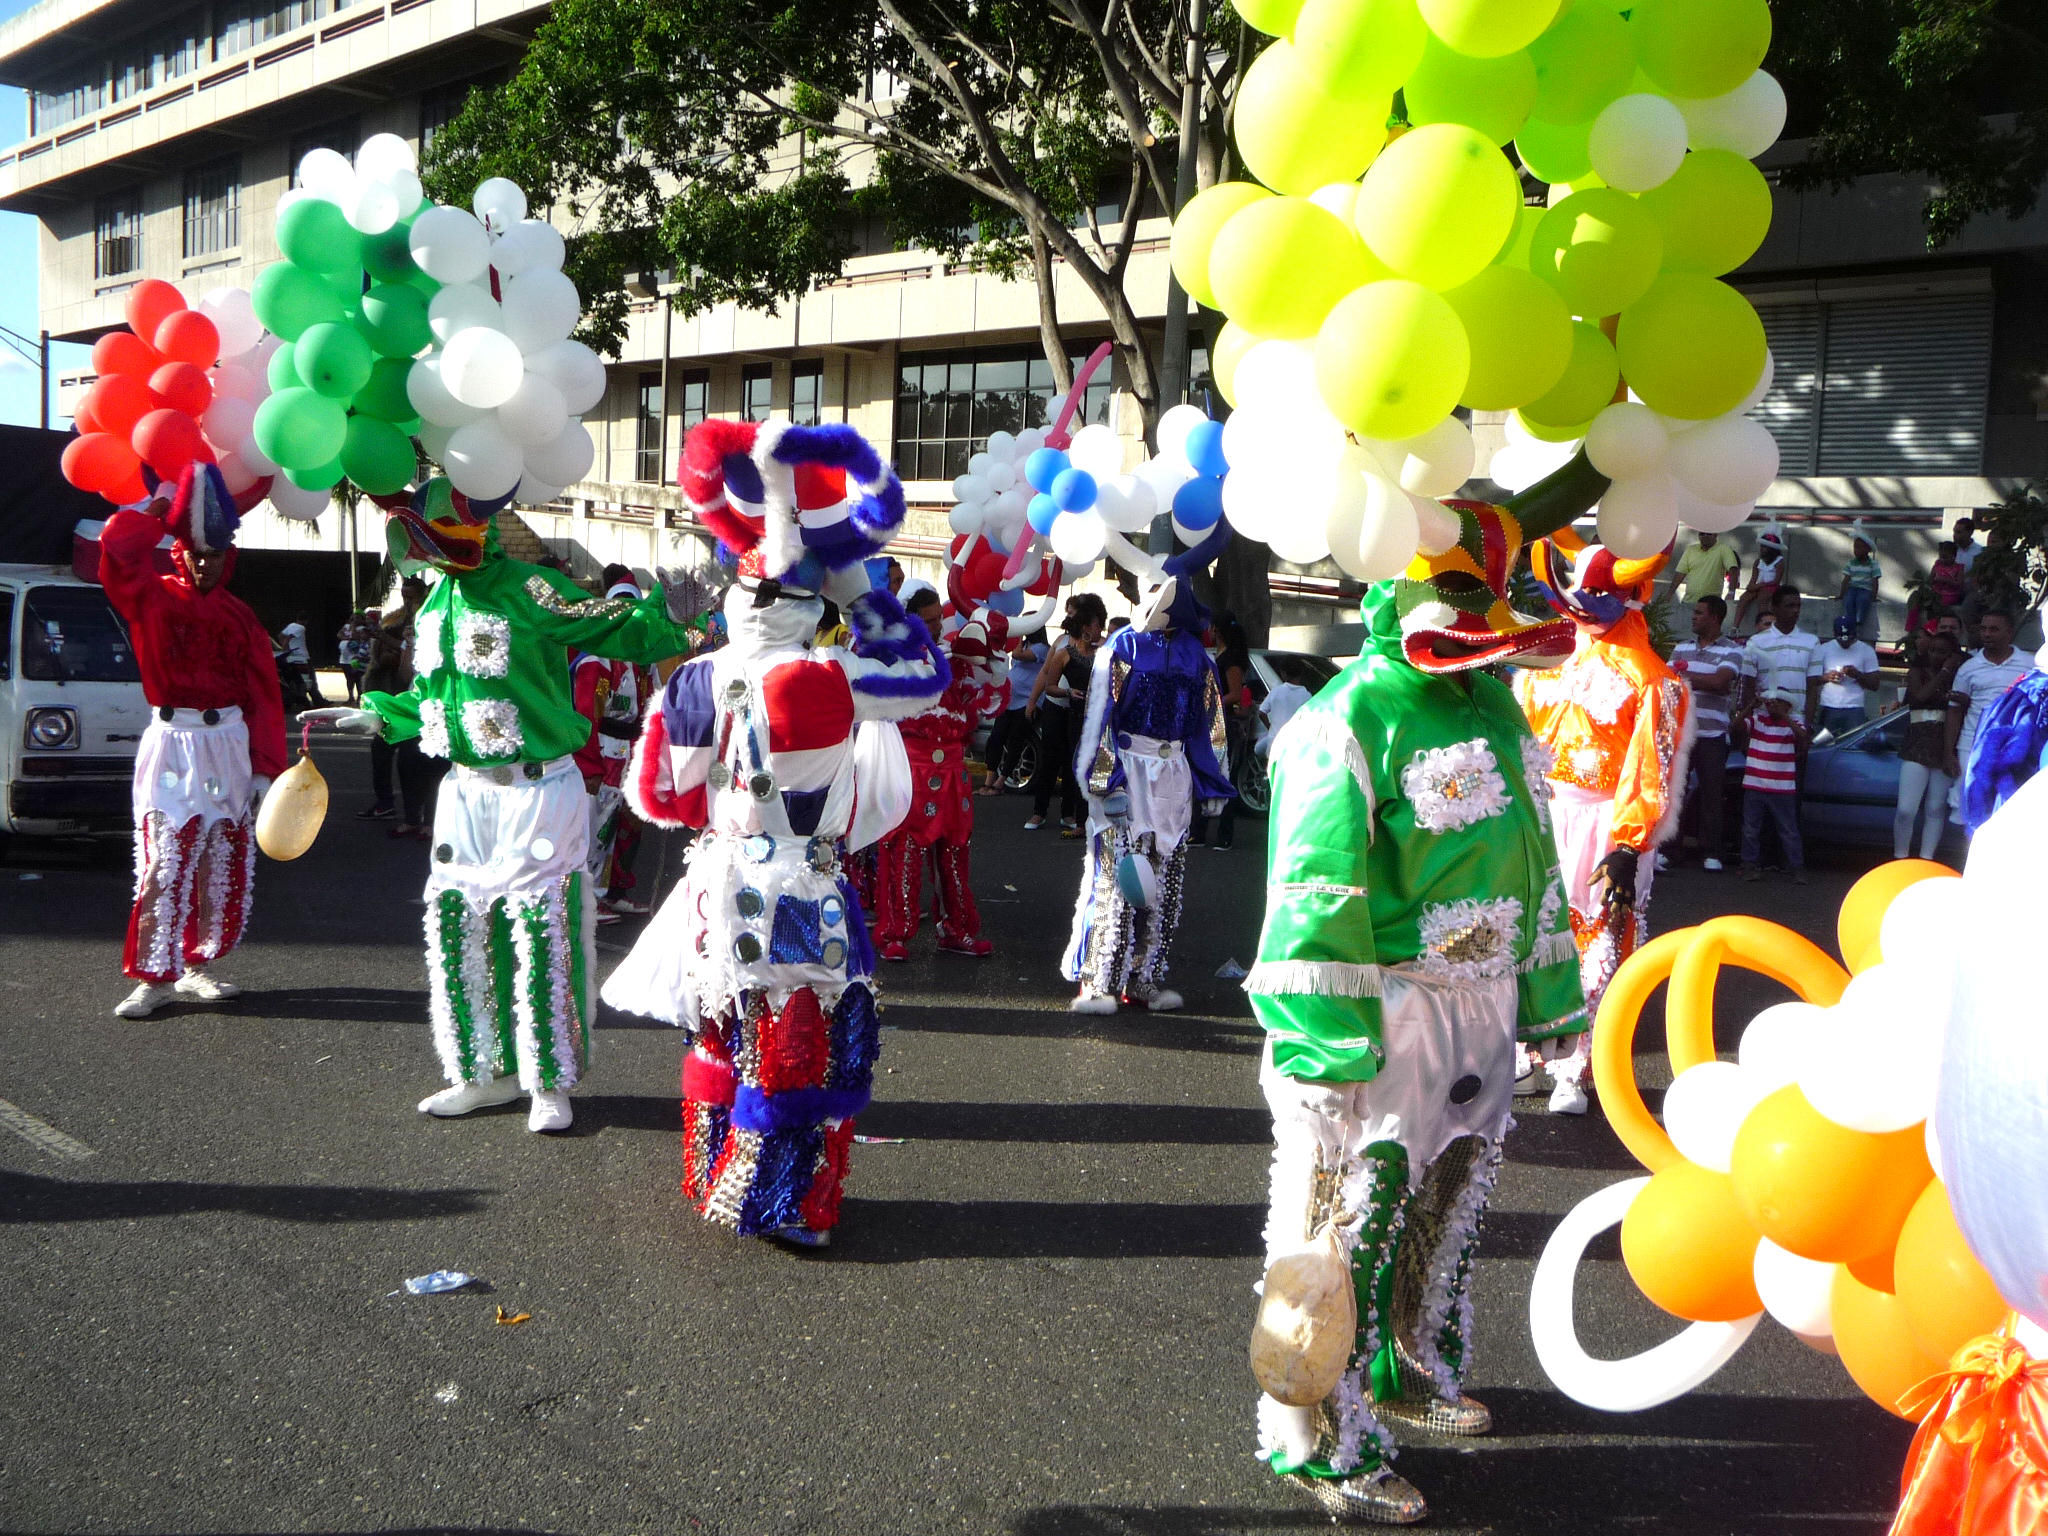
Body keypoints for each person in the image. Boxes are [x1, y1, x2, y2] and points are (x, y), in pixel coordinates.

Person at [1246, 493, 1587, 1526]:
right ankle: (1314, 1433)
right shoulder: (1342, 718)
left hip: (1476, 1012)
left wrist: (1548, 994)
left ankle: (1406, 1362)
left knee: (1448, 1197)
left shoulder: (1495, 705)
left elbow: (1532, 860)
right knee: (1344, 1217)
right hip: (1381, 1014)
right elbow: (1314, 891)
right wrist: (1322, 1040)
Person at [601, 418, 948, 1247]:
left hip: (715, 886)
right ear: (807, 608)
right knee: (807, 1047)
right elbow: (927, 675)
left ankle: (714, 1174)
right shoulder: (832, 674)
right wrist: (863, 598)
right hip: (804, 889)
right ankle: (786, 1201)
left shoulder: (692, 679)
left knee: (720, 1028)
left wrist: (726, 816)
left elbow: (654, 795)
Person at [303, 477, 703, 1135]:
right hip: (463, 794)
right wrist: (377, 713)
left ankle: (548, 1077)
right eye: (427, 544)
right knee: (458, 929)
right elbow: (432, 701)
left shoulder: (531, 588)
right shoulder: (433, 605)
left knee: (543, 933)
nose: (437, 554)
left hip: (539, 790)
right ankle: (480, 1072)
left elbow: (613, 625)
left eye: (446, 541)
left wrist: (671, 612)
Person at [97, 465, 287, 1018]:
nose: (205, 563)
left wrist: (263, 767)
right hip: (173, 739)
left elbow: (263, 695)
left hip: (226, 739)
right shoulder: (147, 598)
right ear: (179, 551)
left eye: (215, 554)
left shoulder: (240, 615)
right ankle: (154, 975)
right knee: (167, 855)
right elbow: (116, 549)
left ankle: (197, 963)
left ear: (230, 556)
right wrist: (156, 514)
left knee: (221, 853)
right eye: (196, 552)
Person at [1516, 534, 1692, 1116]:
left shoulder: (1652, 680)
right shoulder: (1547, 663)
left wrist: (1628, 845)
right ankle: (1530, 1045)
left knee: (1600, 941)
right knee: (1537, 933)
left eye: (1598, 596)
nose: (1584, 609)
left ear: (1635, 597)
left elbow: (1651, 766)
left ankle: (1576, 1066)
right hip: (1544, 814)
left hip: (1604, 820)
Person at [1064, 526, 1236, 1014]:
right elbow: (1101, 718)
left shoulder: (1196, 655)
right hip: (1129, 770)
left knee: (1164, 881)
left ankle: (1144, 975)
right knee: (1119, 878)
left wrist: (1212, 778)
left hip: (1174, 775)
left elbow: (1210, 721)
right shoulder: (1121, 649)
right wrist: (1105, 781)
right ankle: (1099, 979)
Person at [873, 615, 1007, 961]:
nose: (935, 627)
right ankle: (895, 934)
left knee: (955, 853)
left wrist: (992, 664)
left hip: (953, 777)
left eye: (937, 620)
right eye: (928, 620)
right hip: (912, 774)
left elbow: (984, 697)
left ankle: (956, 929)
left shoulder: (953, 667)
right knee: (904, 851)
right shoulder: (896, 663)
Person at [1670, 595, 1744, 871]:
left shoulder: (1732, 651)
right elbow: (1667, 683)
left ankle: (1712, 852)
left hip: (1713, 735)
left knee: (1712, 795)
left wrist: (1685, 678)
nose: (1693, 617)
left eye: (1699, 613)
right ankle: (1670, 849)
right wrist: (1698, 681)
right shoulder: (1680, 648)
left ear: (1715, 617)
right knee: (1675, 792)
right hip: (1681, 733)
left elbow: (1721, 683)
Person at [1025, 594, 1105, 835]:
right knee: (1050, 759)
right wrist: (1032, 700)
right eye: (1069, 611)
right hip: (1055, 705)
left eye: (1073, 611)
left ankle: (1069, 813)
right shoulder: (1061, 643)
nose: (1069, 614)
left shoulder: (1100, 647)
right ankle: (1039, 811)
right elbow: (1045, 672)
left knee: (1075, 761)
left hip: (1081, 712)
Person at [1946, 609, 2035, 823]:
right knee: (1969, 809)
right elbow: (1954, 711)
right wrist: (1948, 752)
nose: (1987, 634)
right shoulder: (1968, 668)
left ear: (2009, 633)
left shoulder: (2030, 664)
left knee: (2009, 808)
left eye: (1994, 629)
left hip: (2015, 747)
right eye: (1983, 629)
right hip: (1971, 745)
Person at [1895, 627, 1961, 861]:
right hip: (1917, 744)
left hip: (1944, 745)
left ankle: (1926, 858)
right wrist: (1944, 671)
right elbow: (1920, 697)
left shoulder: (1959, 677)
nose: (1935, 655)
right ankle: (1900, 857)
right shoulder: (1917, 672)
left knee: (1935, 808)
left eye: (1942, 652)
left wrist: (1950, 673)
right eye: (1932, 650)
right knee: (1906, 809)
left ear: (1952, 654)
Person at [1738, 688, 1807, 883]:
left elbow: (1803, 737)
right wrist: (1751, 706)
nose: (1773, 706)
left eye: (1778, 702)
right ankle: (1749, 865)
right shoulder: (1758, 721)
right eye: (1770, 702)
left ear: (1787, 706)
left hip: (1782, 787)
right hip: (1755, 783)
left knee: (1788, 829)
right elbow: (1735, 728)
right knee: (1750, 829)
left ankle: (1797, 867)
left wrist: (1785, 717)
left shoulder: (1794, 724)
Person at [1198, 613, 1253, 851]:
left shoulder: (1231, 659)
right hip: (1212, 722)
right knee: (1206, 772)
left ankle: (1225, 834)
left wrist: (1211, 703)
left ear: (1217, 630)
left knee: (1225, 774)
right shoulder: (1219, 655)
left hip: (1225, 723)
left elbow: (1235, 694)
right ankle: (1199, 832)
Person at [1739, 587, 1822, 728]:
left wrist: (1807, 725)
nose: (1796, 610)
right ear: (1774, 608)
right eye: (1790, 606)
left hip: (1797, 722)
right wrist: (1749, 723)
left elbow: (1812, 688)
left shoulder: (1811, 642)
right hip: (1762, 721)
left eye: (1798, 606)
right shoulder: (1756, 642)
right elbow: (1748, 686)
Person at [981, 635, 1045, 793]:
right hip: (1009, 701)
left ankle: (1001, 781)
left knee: (1016, 741)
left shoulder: (1042, 648)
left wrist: (1018, 637)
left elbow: (1016, 655)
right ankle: (989, 780)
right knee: (997, 737)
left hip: (1026, 702)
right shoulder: (1024, 645)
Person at [1814, 615, 1880, 738]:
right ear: (1834, 634)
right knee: (1823, 743)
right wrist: (1827, 677)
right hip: (1829, 705)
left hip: (1854, 707)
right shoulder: (1823, 649)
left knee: (1853, 743)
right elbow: (1812, 680)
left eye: (1849, 639)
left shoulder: (1866, 650)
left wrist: (1857, 675)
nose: (1845, 643)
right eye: (1841, 639)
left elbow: (1875, 685)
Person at [1731, 527, 1786, 636]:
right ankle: (1735, 626)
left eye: (1765, 547)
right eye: (1761, 546)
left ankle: (1763, 627)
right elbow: (1753, 580)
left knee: (1763, 598)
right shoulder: (1757, 562)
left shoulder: (1779, 562)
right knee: (1744, 598)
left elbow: (1776, 580)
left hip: (1771, 586)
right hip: (1760, 586)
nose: (1762, 549)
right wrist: (1754, 586)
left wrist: (1762, 586)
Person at [1255, 656, 1313, 758]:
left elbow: (1261, 712)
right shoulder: (1306, 695)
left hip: (1274, 742)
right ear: (1301, 674)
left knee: (1258, 750)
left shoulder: (1276, 692)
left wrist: (1270, 727)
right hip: (1296, 745)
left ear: (1283, 673)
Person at [1673, 529, 1740, 604]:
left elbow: (1733, 570)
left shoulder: (1724, 549)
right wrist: (1670, 594)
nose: (1705, 536)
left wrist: (1731, 593)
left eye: (1708, 533)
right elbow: (1680, 574)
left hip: (1711, 604)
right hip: (1688, 602)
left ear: (1715, 535)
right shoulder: (1690, 550)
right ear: (1698, 536)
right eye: (1702, 534)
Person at [1836, 534, 1881, 639]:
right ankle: (1850, 621)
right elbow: (1846, 580)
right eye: (1855, 547)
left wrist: (1874, 596)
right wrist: (1841, 594)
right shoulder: (1851, 563)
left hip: (1865, 589)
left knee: (1863, 599)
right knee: (1849, 600)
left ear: (1868, 549)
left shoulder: (1873, 564)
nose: (1857, 550)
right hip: (1853, 588)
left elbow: (1875, 581)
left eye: (1860, 547)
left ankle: (1858, 621)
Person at [278, 614, 315, 702]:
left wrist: (284, 649)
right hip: (302, 655)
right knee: (311, 678)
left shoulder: (291, 625)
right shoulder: (301, 628)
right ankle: (316, 699)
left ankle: (312, 699)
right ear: (305, 621)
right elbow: (288, 638)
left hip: (293, 655)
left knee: (299, 679)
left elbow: (281, 636)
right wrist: (285, 649)